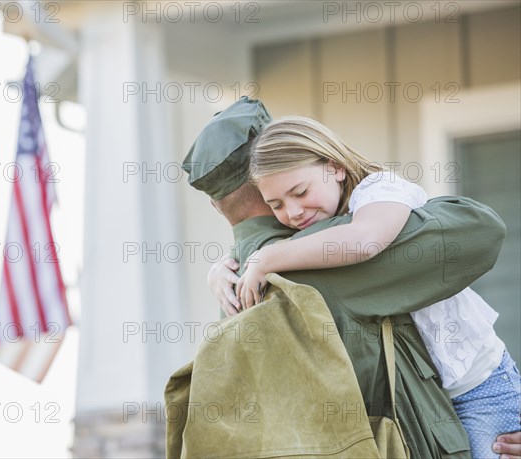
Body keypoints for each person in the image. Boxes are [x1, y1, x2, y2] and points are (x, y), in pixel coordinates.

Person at [181, 96, 518, 458]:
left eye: (300, 191)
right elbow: (481, 228)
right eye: (279, 203)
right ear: (263, 184)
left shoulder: (245, 281)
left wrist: (253, 259)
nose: (294, 212)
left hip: (481, 385)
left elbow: (365, 238)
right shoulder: (306, 260)